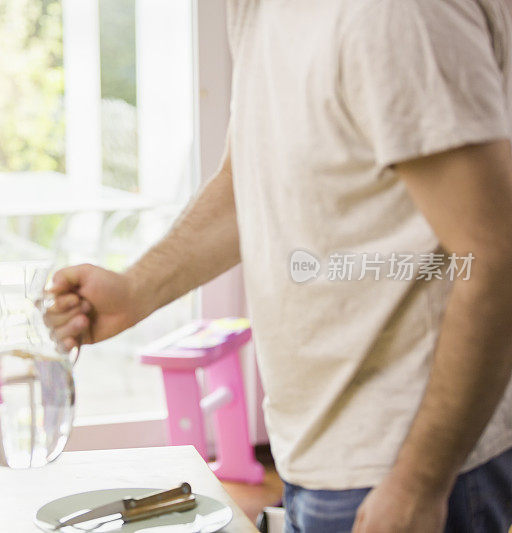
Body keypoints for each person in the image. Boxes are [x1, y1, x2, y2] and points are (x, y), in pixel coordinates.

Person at [46, 1, 512, 531]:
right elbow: (251, 179)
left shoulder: (398, 15)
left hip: (405, 468)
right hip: (316, 454)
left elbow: (496, 256)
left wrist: (419, 483)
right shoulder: (257, 7)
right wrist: (134, 290)